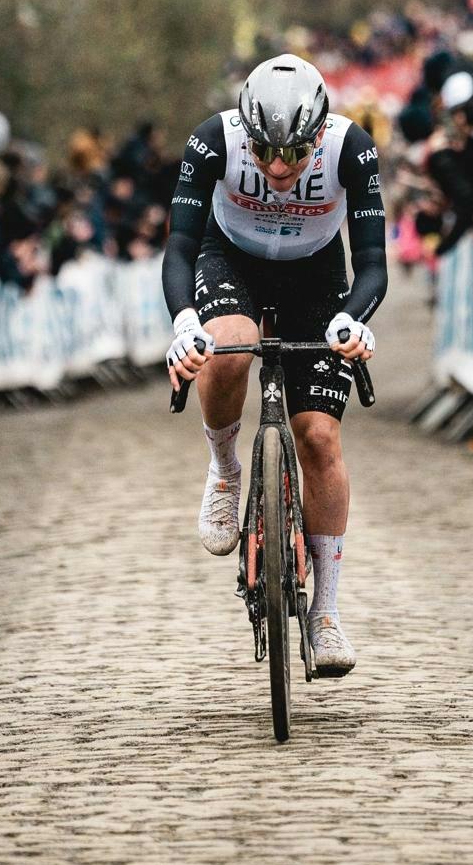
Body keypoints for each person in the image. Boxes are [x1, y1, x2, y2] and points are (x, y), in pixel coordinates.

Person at [162, 54, 387, 675]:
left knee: (317, 435)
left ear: (319, 132)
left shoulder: (352, 147)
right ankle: (226, 467)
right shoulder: (214, 140)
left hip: (316, 274)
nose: (279, 168)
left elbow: (371, 261)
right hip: (230, 257)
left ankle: (327, 613)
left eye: (294, 153)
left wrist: (352, 318)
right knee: (228, 346)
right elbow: (180, 244)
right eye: (264, 153)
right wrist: (185, 323)